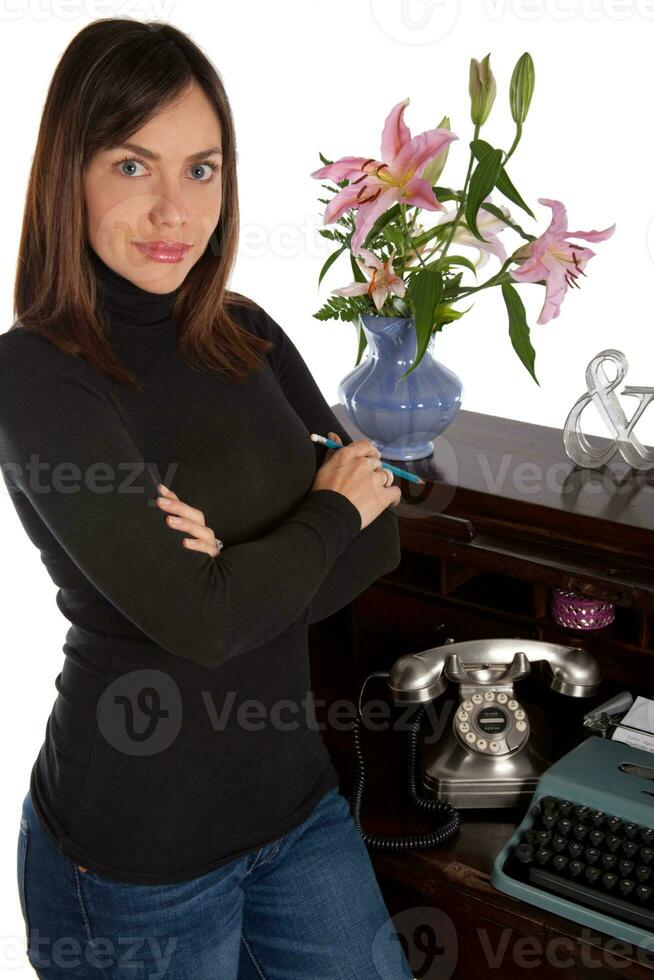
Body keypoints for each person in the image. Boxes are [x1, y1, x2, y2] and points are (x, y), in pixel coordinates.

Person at [1, 17, 415, 980]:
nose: (172, 211)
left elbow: (377, 541)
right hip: (135, 861)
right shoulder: (36, 375)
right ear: (71, 172)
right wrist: (321, 510)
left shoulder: (249, 334)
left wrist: (230, 571)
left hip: (297, 809)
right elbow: (201, 622)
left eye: (201, 170)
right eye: (133, 165)